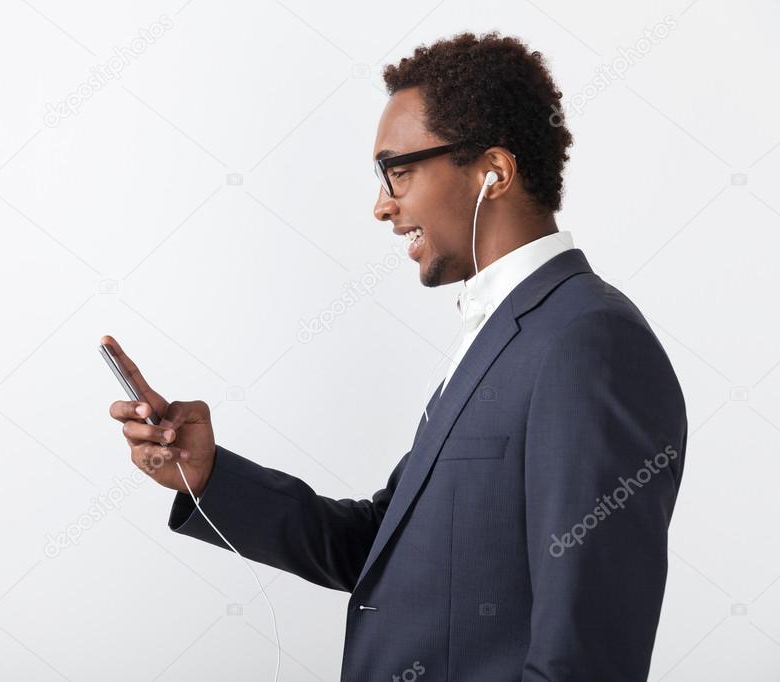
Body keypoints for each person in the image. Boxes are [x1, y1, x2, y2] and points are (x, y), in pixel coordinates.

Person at [106, 31, 686, 682]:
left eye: (398, 170)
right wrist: (206, 474)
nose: (382, 204)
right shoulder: (501, 336)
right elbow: (378, 544)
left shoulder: (588, 345)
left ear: (493, 171)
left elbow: (587, 662)